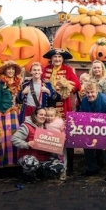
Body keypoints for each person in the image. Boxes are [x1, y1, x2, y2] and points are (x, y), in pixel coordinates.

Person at [42, 48, 81, 176]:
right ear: (51, 59)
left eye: (59, 57)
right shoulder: (45, 69)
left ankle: (69, 167)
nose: (57, 59)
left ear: (63, 59)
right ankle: (52, 165)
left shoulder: (68, 70)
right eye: (55, 57)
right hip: (48, 108)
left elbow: (77, 86)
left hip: (63, 108)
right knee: (49, 136)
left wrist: (66, 84)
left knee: (66, 138)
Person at [79, 80, 106, 181]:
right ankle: (92, 168)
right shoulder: (84, 101)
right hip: (91, 128)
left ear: (97, 91)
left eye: (92, 92)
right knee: (86, 143)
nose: (90, 94)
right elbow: (80, 115)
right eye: (88, 92)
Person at [11, 107, 64, 182]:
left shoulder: (47, 127)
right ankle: (28, 175)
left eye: (45, 115)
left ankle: (40, 172)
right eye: (41, 114)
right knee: (31, 163)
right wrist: (27, 144)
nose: (43, 117)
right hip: (29, 156)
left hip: (43, 158)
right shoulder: (26, 126)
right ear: (35, 115)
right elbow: (14, 139)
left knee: (59, 166)